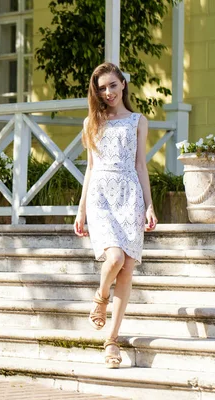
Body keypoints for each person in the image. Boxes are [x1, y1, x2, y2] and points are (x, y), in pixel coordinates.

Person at [73, 62, 158, 369]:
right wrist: (81, 209)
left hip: (130, 195)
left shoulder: (138, 121)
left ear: (123, 84)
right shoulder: (91, 122)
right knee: (115, 259)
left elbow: (140, 165)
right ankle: (100, 298)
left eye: (112, 85)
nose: (107, 92)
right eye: (101, 88)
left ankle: (112, 342)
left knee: (127, 269)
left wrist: (148, 205)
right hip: (100, 197)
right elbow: (91, 168)